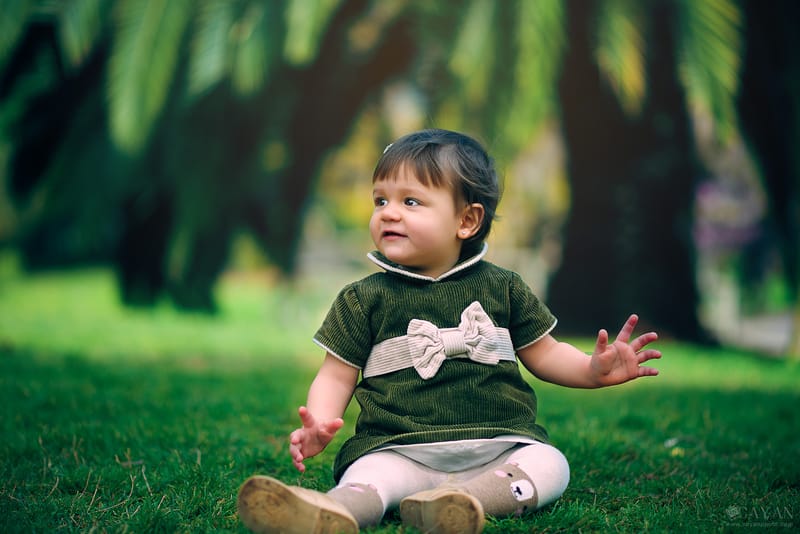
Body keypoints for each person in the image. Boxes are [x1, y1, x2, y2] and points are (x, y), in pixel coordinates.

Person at [237, 129, 661, 534]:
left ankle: (467, 500)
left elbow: (545, 354)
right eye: (380, 199)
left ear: (467, 220)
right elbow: (336, 374)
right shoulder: (363, 297)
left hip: (498, 448)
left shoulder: (503, 287)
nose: (389, 212)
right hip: (399, 448)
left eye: (411, 201)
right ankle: (336, 509)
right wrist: (321, 423)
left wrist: (591, 370)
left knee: (550, 463)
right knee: (370, 474)